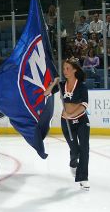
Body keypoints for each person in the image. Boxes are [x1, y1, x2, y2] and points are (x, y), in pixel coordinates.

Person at [44, 58, 90, 190]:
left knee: (84, 149)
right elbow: (46, 93)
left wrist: (71, 114)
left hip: (81, 121)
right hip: (67, 123)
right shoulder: (61, 85)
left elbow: (84, 105)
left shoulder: (82, 86)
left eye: (68, 68)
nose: (65, 71)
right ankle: (73, 162)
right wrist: (53, 83)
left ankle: (83, 178)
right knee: (75, 150)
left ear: (75, 69)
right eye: (64, 68)